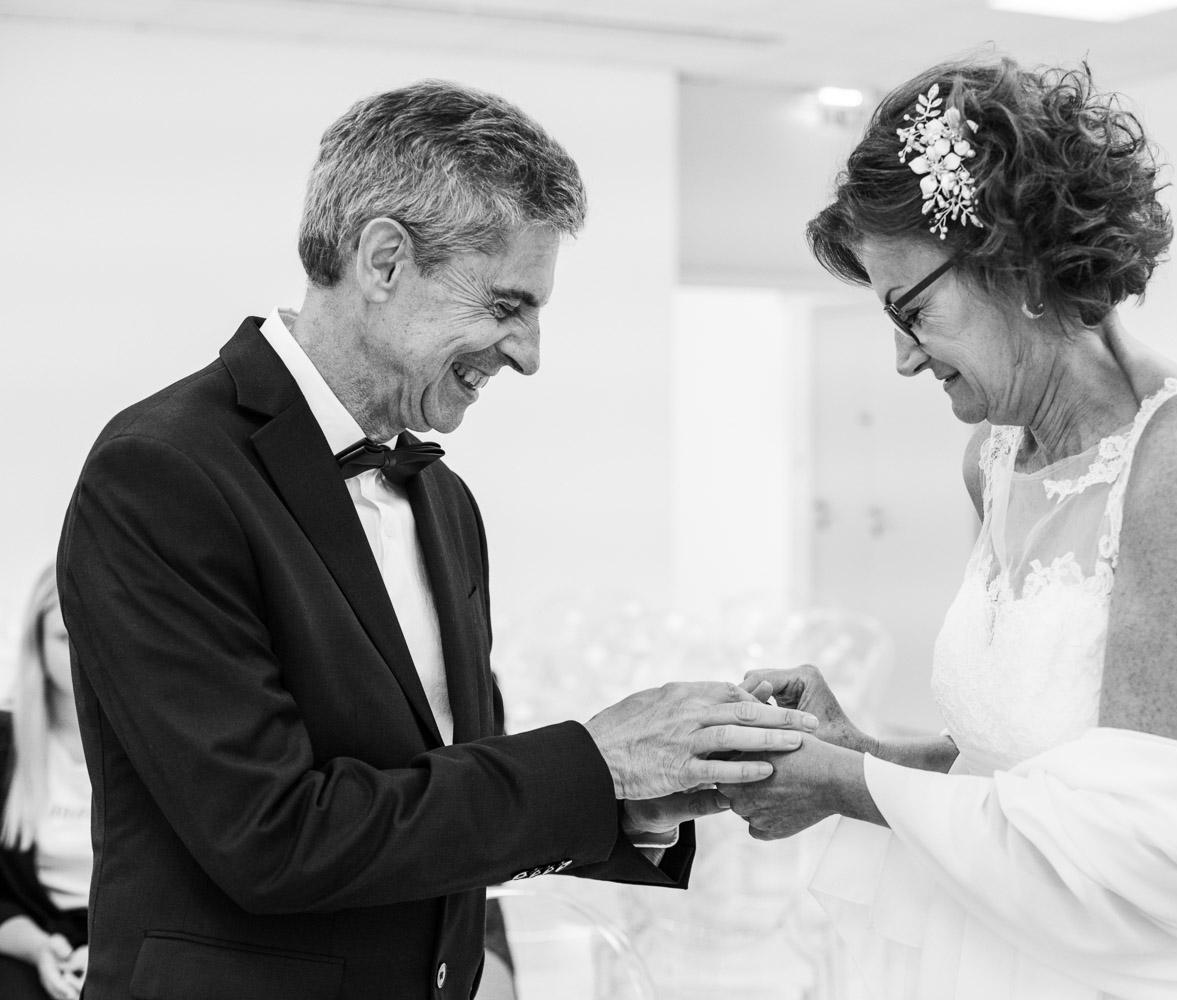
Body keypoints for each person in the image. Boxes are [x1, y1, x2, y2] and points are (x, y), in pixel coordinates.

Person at [56, 80, 816, 1000]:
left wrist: (631, 800)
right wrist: (593, 760)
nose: (529, 353)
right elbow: (270, 835)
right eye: (506, 305)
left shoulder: (444, 499)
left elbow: (446, 788)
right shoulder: (163, 470)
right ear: (385, 261)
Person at [721, 57, 1177, 998]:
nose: (902, 359)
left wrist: (846, 784)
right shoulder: (995, 461)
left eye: (913, 312)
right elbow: (1015, 776)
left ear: (1015, 267)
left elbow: (1141, 845)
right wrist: (857, 748)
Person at [1, 565, 90, 1000]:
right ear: (37, 641)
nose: (79, 653)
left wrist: (110, 950)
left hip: (131, 941)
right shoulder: (7, 743)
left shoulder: (151, 744)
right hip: (31, 938)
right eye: (62, 637)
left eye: (90, 635)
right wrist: (39, 949)